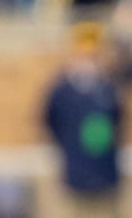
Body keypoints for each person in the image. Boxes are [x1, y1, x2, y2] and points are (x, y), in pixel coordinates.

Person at [43, 21, 125, 218]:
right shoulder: (62, 90)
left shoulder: (108, 87)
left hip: (105, 172)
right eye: (83, 55)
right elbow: (49, 119)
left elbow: (119, 119)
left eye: (92, 56)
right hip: (75, 173)